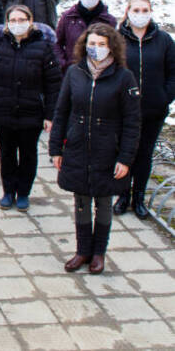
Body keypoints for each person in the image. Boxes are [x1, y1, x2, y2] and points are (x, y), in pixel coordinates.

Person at [50, 24, 140, 275]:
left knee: (103, 201)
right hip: (78, 146)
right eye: (92, 43)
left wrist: (125, 158)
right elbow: (61, 111)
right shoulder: (74, 73)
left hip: (107, 149)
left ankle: (99, 253)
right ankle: (82, 251)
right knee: (81, 200)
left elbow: (133, 121)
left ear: (111, 46)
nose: (96, 49)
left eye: (102, 44)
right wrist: (56, 149)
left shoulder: (124, 77)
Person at [0, 5, 62, 211]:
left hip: (31, 112)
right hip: (3, 110)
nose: (17, 24)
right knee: (6, 153)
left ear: (30, 21)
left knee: (28, 154)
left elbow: (54, 84)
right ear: (7, 24)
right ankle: (8, 191)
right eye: (12, 20)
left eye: (21, 19)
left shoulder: (43, 48)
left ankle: (23, 192)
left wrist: (50, 115)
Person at [117, 0, 175, 218]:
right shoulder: (118, 38)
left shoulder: (163, 40)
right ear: (128, 11)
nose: (140, 14)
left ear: (150, 12)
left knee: (144, 154)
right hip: (123, 110)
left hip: (153, 109)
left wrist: (165, 97)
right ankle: (122, 195)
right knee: (124, 153)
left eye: (144, 10)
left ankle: (139, 198)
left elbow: (172, 72)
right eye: (136, 10)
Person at [55, 0, 118, 72]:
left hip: (100, 71)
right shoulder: (68, 17)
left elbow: (115, 47)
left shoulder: (109, 21)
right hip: (74, 70)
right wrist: (63, 63)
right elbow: (57, 44)